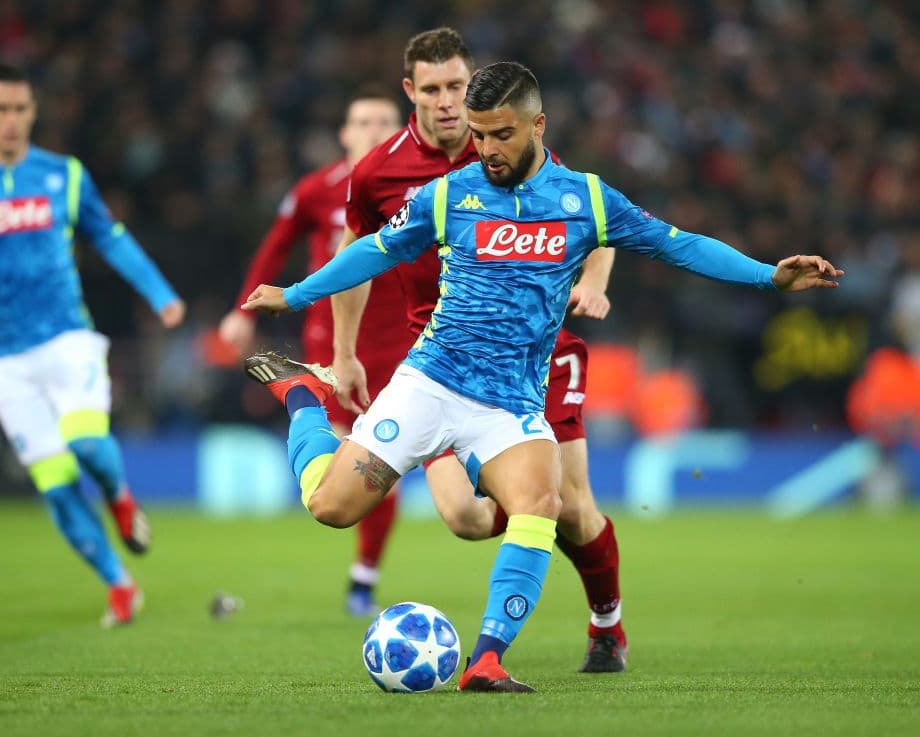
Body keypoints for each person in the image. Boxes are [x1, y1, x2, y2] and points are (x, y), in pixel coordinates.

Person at [241, 60, 842, 692]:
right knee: (330, 508)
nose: (486, 150)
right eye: (477, 135)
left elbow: (678, 243)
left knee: (541, 503)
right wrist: (298, 294)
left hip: (508, 405)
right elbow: (375, 248)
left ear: (537, 124)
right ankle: (302, 396)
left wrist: (768, 275)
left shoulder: (584, 198)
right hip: (429, 383)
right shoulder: (450, 196)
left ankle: (487, 659)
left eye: (501, 134)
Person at [331, 27, 628, 672]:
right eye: (432, 89)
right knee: (465, 517)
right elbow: (354, 260)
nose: (446, 102)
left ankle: (607, 625)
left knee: (573, 510)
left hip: (534, 356)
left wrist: (594, 281)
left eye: (456, 87)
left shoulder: (504, 140)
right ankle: (527, 525)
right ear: (410, 92)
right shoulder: (378, 174)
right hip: (442, 366)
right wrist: (346, 352)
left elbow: (594, 214)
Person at [0, 62, 186, 627]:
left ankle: (119, 495)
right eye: (0, 109)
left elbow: (109, 237)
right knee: (57, 487)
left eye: (20, 109)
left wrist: (159, 293)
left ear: (33, 113)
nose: (11, 120)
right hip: (4, 359)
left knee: (87, 445)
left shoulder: (63, 175)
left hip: (68, 340)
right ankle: (120, 586)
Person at [217, 89, 409, 616]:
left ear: (400, 132)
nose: (372, 130)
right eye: (362, 121)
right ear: (345, 134)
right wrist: (242, 310)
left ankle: (364, 574)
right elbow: (275, 245)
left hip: (404, 342)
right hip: (333, 339)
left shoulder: (417, 188)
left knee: (385, 468)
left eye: (384, 122)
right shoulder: (316, 190)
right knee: (354, 465)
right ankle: (364, 579)